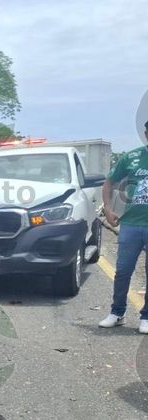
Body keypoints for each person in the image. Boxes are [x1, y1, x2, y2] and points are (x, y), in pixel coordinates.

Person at [100, 120, 148, 333]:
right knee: (122, 270)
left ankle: (146, 317)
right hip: (130, 224)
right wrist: (108, 210)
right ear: (145, 134)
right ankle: (117, 312)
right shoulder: (132, 157)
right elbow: (109, 182)